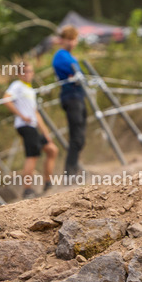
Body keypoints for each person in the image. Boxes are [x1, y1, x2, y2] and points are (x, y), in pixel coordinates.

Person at [3, 62, 58, 198]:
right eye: (25, 71)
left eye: (30, 71)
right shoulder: (17, 85)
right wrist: (21, 115)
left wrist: (45, 132)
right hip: (25, 126)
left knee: (52, 150)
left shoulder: (30, 89)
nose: (28, 74)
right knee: (32, 156)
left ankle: (48, 182)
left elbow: (36, 113)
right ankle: (27, 189)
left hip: (33, 126)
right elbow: (6, 100)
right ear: (19, 74)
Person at [51, 26, 88, 176]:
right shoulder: (61, 56)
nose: (72, 42)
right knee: (76, 137)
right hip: (71, 97)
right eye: (69, 39)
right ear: (63, 40)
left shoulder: (70, 56)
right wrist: (75, 74)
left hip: (79, 97)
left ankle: (75, 169)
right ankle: (70, 173)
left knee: (80, 136)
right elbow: (66, 69)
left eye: (74, 39)